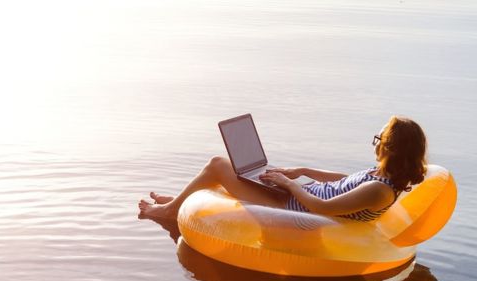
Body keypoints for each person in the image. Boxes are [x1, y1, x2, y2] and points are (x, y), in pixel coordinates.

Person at [138, 115, 427, 222]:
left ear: (390, 148)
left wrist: (288, 185)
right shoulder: (381, 177)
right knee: (241, 170)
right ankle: (178, 200)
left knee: (217, 164)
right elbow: (344, 181)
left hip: (291, 206)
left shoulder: (379, 191)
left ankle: (169, 210)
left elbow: (324, 209)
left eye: (378, 139)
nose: (374, 144)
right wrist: (301, 170)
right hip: (296, 193)